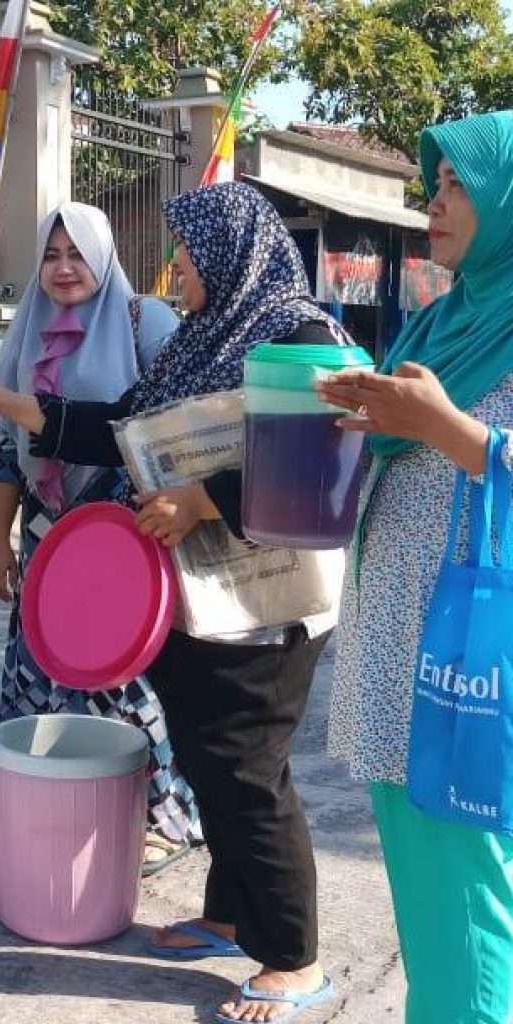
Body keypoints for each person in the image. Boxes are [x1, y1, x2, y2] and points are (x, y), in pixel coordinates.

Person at [0, 182, 352, 1023]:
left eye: (186, 249)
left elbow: (326, 467)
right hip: (196, 595)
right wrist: (11, 404)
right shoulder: (202, 338)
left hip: (267, 606)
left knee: (249, 772)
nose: (175, 264)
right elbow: (117, 428)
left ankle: (296, 959)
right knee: (210, 761)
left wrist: (202, 501)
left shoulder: (303, 337)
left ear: (230, 252)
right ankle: (230, 916)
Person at [319, 110, 513, 1024]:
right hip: (398, 649)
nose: (434, 203)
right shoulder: (441, 321)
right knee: (433, 900)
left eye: (458, 186)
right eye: (432, 185)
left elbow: (461, 444)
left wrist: (443, 426)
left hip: (470, 661)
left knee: (467, 902)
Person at [0, 201, 202, 875]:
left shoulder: (145, 323)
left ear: (104, 257)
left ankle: (161, 817)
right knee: (45, 665)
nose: (63, 268)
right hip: (47, 534)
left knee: (122, 675)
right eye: (51, 256)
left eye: (77, 254)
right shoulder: (26, 330)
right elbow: (6, 449)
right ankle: (58, 801)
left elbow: (177, 429)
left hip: (121, 532)